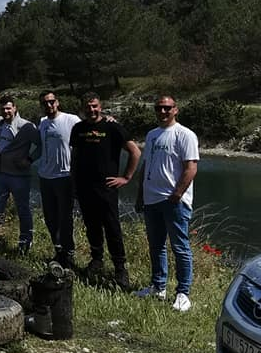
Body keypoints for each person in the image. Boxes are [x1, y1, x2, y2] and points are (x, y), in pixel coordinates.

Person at [70, 92, 141, 286]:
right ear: (82, 109)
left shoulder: (112, 127)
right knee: (91, 225)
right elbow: (75, 157)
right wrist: (73, 181)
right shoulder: (78, 129)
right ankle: (97, 260)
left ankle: (120, 268)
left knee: (112, 227)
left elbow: (135, 152)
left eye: (94, 106)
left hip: (107, 188)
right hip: (84, 187)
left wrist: (126, 177)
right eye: (87, 107)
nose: (91, 110)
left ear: (100, 106)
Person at [136, 95, 199, 312]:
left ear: (175, 109)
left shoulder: (185, 135)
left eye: (167, 108)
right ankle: (158, 286)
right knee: (156, 246)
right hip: (151, 199)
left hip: (173, 201)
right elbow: (146, 166)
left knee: (180, 247)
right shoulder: (152, 135)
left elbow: (191, 168)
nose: (162, 112)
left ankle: (183, 293)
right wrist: (140, 195)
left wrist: (177, 194)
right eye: (158, 108)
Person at [0, 96, 40, 255]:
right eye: (3, 108)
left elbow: (41, 146)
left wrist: (29, 160)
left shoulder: (27, 126)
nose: (6, 111)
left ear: (15, 108)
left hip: (19, 176)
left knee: (23, 210)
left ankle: (25, 243)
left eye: (8, 108)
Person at [36, 91, 82, 267]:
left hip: (64, 176)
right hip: (45, 176)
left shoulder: (71, 120)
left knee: (65, 217)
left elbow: (89, 129)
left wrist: (108, 119)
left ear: (57, 102)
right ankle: (58, 251)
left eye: (51, 101)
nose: (49, 105)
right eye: (45, 103)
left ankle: (69, 253)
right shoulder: (42, 123)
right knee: (50, 217)